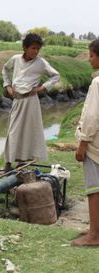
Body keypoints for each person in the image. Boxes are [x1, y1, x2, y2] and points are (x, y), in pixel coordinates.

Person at [1, 33, 60, 172]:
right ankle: (8, 163)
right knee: (13, 131)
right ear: (25, 47)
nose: (35, 51)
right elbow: (5, 69)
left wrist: (41, 88)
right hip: (17, 99)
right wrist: (8, 86)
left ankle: (22, 162)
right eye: (33, 48)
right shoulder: (15, 59)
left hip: (31, 101)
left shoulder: (41, 62)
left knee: (27, 131)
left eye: (38, 49)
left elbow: (56, 75)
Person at [71, 39, 99, 246]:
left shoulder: (98, 83)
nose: (89, 59)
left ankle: (94, 235)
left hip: (95, 146)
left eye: (91, 55)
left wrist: (82, 144)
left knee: (94, 189)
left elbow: (91, 118)